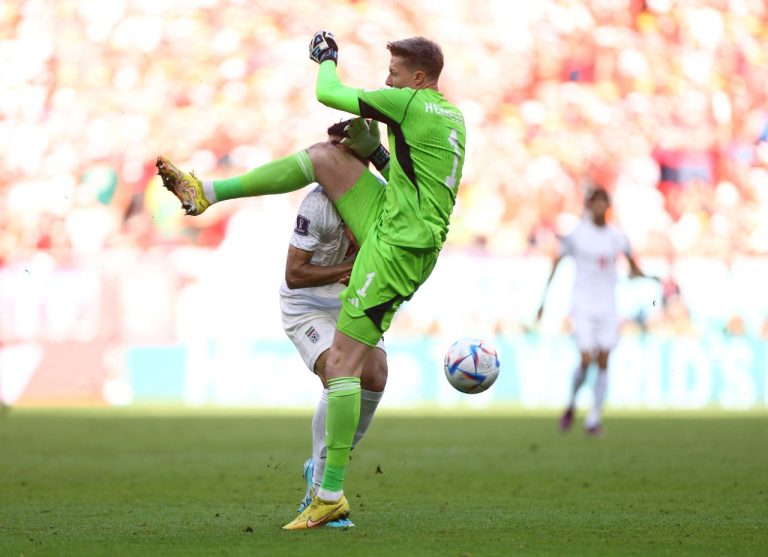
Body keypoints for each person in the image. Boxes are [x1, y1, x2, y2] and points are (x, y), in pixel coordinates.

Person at [157, 31, 466, 529]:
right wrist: (377, 155)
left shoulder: (411, 103)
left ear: (419, 78)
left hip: (399, 247)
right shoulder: (448, 116)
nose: (387, 77)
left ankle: (328, 493)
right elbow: (417, 181)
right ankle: (206, 190)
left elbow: (328, 92)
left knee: (344, 367)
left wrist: (327, 59)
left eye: (395, 70)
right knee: (325, 156)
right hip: (397, 220)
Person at [281, 120, 387, 528]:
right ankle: (324, 489)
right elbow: (295, 274)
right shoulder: (317, 204)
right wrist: (350, 266)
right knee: (339, 374)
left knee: (375, 374)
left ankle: (321, 468)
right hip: (306, 305)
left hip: (348, 302)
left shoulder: (378, 199)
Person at [537, 186, 653, 437]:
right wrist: (543, 302)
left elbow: (633, 267)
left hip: (609, 306)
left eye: (604, 203)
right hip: (582, 304)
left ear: (608, 206)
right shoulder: (576, 236)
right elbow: (556, 265)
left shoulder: (618, 237)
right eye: (596, 203)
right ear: (589, 206)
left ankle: (594, 419)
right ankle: (571, 404)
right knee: (586, 357)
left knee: (603, 360)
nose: (600, 207)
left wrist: (647, 277)